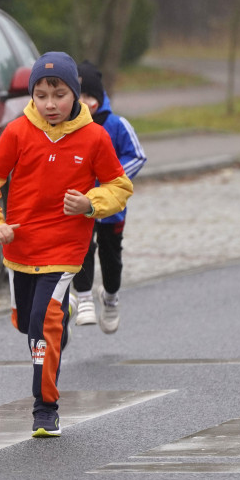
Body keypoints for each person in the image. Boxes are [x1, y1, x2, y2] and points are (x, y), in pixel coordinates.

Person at [0, 52, 133, 438]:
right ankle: (58, 318)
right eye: (41, 95)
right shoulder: (17, 133)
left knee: (43, 326)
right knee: (27, 324)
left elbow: (119, 186)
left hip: (64, 251)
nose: (50, 104)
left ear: (75, 93)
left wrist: (90, 203)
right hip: (21, 249)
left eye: (58, 94)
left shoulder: (94, 137)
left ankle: (45, 409)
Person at [71, 60, 147, 333]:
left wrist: (110, 180)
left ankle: (111, 297)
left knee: (111, 256)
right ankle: (83, 298)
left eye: (89, 96)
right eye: (78, 97)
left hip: (112, 208)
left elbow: (137, 156)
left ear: (99, 98)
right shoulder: (68, 128)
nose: (84, 102)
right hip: (81, 205)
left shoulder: (116, 125)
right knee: (81, 250)